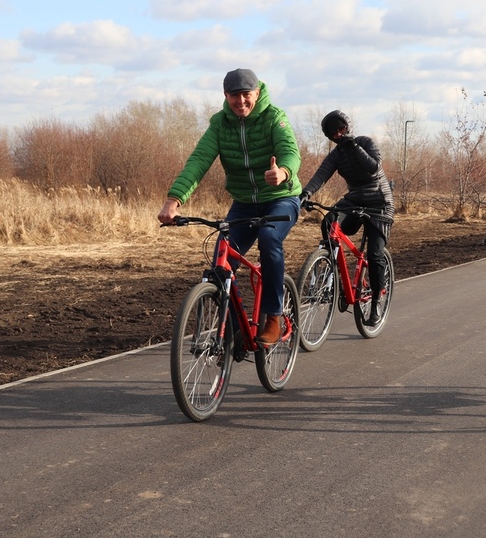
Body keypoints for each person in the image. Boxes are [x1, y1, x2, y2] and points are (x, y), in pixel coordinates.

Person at [158, 68, 302, 346]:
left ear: (257, 93)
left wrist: (283, 172)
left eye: (246, 94)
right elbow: (198, 161)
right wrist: (173, 201)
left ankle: (274, 316)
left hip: (281, 198)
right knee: (220, 267)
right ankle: (236, 329)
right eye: (234, 95)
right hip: (244, 203)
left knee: (269, 237)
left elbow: (290, 152)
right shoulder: (219, 124)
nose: (241, 101)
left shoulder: (275, 117)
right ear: (226, 96)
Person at [300, 110, 395, 326]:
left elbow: (374, 167)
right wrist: (306, 193)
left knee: (375, 254)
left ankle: (375, 302)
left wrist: (354, 146)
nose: (339, 135)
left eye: (341, 130)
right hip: (354, 200)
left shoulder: (365, 142)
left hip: (380, 203)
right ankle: (331, 268)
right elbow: (321, 174)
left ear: (347, 128)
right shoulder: (336, 155)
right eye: (333, 134)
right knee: (329, 221)